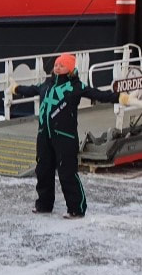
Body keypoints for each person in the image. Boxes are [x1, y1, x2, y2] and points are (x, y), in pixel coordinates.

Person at [11, 53, 130, 219]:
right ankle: (44, 204)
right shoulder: (47, 84)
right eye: (56, 64)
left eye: (62, 65)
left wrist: (120, 97)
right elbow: (31, 89)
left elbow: (98, 94)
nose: (57, 67)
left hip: (65, 136)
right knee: (43, 170)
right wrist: (16, 88)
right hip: (44, 135)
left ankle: (76, 208)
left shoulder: (75, 86)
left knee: (67, 173)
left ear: (70, 69)